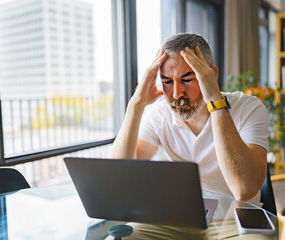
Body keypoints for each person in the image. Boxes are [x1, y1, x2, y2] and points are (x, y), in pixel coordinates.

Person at [111, 33, 268, 205]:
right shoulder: (159, 115)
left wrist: (215, 101)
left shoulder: (248, 108)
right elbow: (120, 178)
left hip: (237, 221)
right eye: (167, 82)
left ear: (211, 74)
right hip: (183, 217)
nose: (177, 94)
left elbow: (244, 189)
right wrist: (136, 104)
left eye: (186, 80)